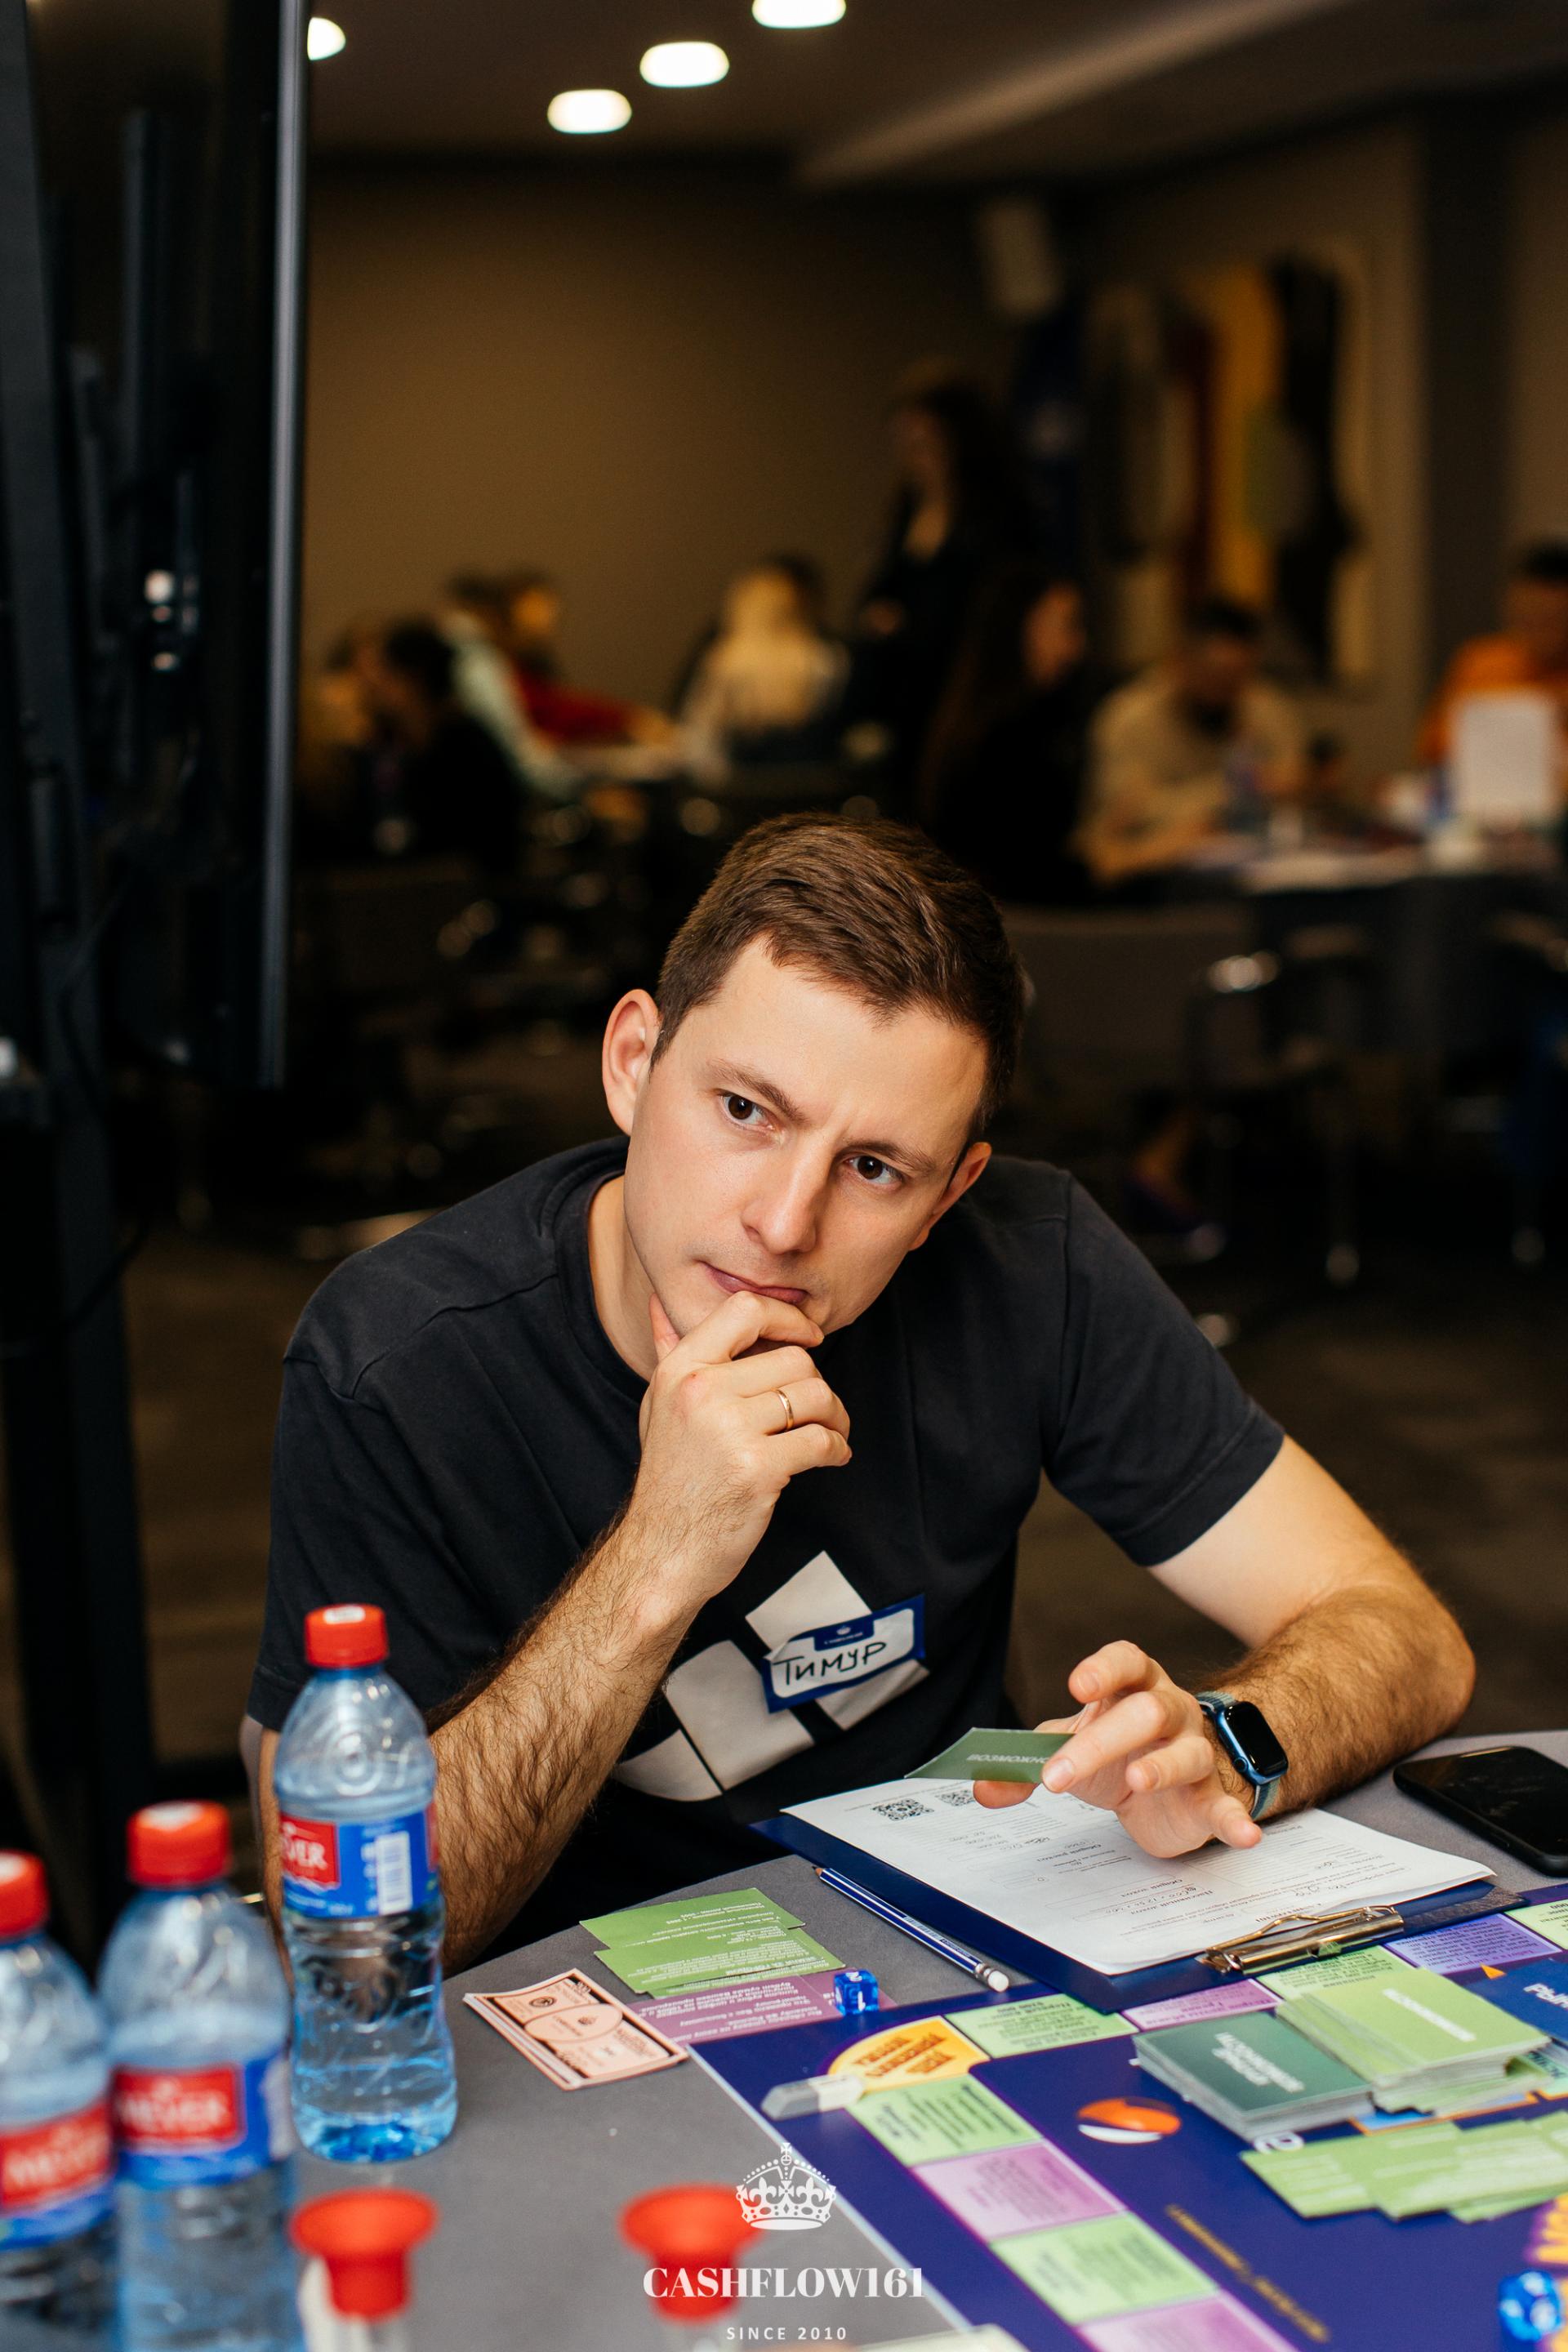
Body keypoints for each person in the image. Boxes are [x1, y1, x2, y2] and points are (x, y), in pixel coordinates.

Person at [246, 816, 1472, 1968]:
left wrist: (1228, 1741)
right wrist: (655, 1562)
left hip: (959, 1949)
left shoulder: (1027, 1259)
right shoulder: (398, 1359)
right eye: (745, 1111)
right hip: (600, 2009)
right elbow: (350, 1939)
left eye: (876, 1168)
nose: (785, 1224)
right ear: (631, 1065)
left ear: (948, 1196)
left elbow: (1406, 1635)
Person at [847, 372, 1031, 812]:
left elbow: (993, 612)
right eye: (905, 444)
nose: (915, 457)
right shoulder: (905, 513)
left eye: (925, 442)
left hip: (971, 694)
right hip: (907, 697)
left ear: (957, 440)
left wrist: (909, 625)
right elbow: (877, 594)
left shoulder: (997, 519)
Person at [1077, 597, 1304, 888]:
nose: (1225, 691)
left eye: (1238, 677)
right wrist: (1240, 788)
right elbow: (1129, 816)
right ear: (1179, 662)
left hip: (1251, 875)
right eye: (1215, 675)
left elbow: (1296, 783)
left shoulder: (1262, 706)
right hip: (1146, 885)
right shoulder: (1128, 720)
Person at [921, 561, 1094, 903]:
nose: (1078, 647)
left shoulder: (970, 718)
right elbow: (1032, 871)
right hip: (1021, 920)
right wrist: (1136, 853)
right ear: (1021, 627)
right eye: (1068, 625)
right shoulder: (1008, 736)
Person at [355, 621, 522, 875]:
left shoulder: (468, 751)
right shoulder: (392, 742)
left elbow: (485, 846)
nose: (374, 684)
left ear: (414, 680)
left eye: (386, 673)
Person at [1418, 540, 1568, 781]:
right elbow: (1434, 751)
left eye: (1552, 620)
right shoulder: (1479, 662)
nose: (1538, 632)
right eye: (1526, 619)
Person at [680, 559, 848, 773]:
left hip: (739, 784)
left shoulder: (726, 660)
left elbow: (701, 740)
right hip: (809, 781)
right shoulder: (828, 659)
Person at [436, 576, 580, 805]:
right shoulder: (479, 665)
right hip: (487, 801)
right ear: (499, 615)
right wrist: (582, 789)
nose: (544, 628)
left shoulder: (459, 655)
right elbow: (516, 753)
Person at [504, 569, 672, 751]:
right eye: (537, 606)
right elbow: (550, 710)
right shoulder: (504, 661)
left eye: (549, 608)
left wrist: (626, 719)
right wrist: (625, 720)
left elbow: (557, 703)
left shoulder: (533, 659)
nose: (547, 617)